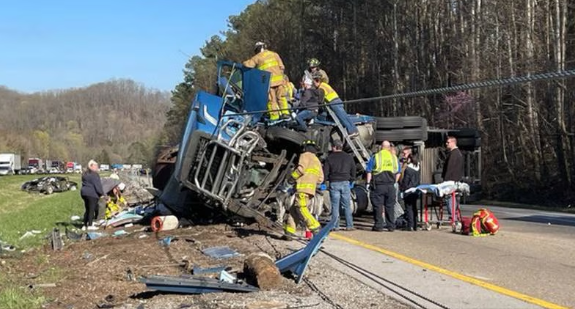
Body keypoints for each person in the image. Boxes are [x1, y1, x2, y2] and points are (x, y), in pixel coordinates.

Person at [284, 140, 324, 238]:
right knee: (294, 210)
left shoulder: (305, 155)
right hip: (310, 190)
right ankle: (289, 231)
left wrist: (291, 178)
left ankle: (315, 227)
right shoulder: (317, 160)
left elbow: (300, 170)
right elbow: (320, 179)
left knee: (301, 208)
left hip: (302, 188)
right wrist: (311, 181)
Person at [243, 42, 290, 121]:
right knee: (281, 97)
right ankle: (285, 113)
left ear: (257, 49)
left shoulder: (257, 57)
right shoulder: (274, 54)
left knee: (271, 100)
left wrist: (243, 63)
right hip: (279, 82)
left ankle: (274, 117)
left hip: (268, 83)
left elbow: (248, 64)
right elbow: (282, 66)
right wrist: (282, 78)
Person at [312, 72, 359, 137]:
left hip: (333, 102)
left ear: (317, 81)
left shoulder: (321, 88)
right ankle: (354, 130)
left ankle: (351, 131)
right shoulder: (325, 84)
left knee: (342, 118)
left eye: (314, 82)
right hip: (337, 100)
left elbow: (320, 100)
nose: (314, 84)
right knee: (345, 116)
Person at [366, 141, 399, 232]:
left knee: (378, 206)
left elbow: (369, 171)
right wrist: (395, 182)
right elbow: (398, 172)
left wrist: (368, 183)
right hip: (390, 185)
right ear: (389, 148)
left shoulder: (376, 156)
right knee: (390, 206)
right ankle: (391, 226)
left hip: (379, 185)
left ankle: (379, 225)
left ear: (381, 147)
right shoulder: (394, 158)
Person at [324, 140, 356, 231]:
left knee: (335, 205)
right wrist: (352, 179)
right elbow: (353, 169)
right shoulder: (348, 157)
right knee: (346, 205)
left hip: (334, 182)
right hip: (345, 182)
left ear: (334, 147)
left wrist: (324, 182)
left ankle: (335, 225)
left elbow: (325, 172)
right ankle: (349, 225)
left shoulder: (329, 158)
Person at [441, 136, 464, 218]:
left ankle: (452, 216)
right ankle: (454, 215)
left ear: (453, 142)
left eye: (448, 142)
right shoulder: (458, 153)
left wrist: (445, 181)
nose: (446, 144)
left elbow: (450, 168)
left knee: (449, 198)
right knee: (454, 199)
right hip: (456, 180)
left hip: (451, 180)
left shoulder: (454, 154)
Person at [80, 160, 105, 231]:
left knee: (87, 209)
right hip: (92, 194)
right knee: (92, 209)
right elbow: (98, 185)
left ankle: (84, 225)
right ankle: (90, 225)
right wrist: (101, 194)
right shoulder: (95, 174)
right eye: (96, 166)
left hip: (84, 193)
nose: (97, 167)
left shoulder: (85, 174)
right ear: (91, 166)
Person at [400, 153, 420, 231]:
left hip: (408, 190)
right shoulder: (418, 167)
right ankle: (415, 224)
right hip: (416, 189)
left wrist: (402, 189)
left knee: (409, 208)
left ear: (409, 159)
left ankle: (410, 225)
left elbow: (406, 181)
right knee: (414, 207)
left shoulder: (408, 169)